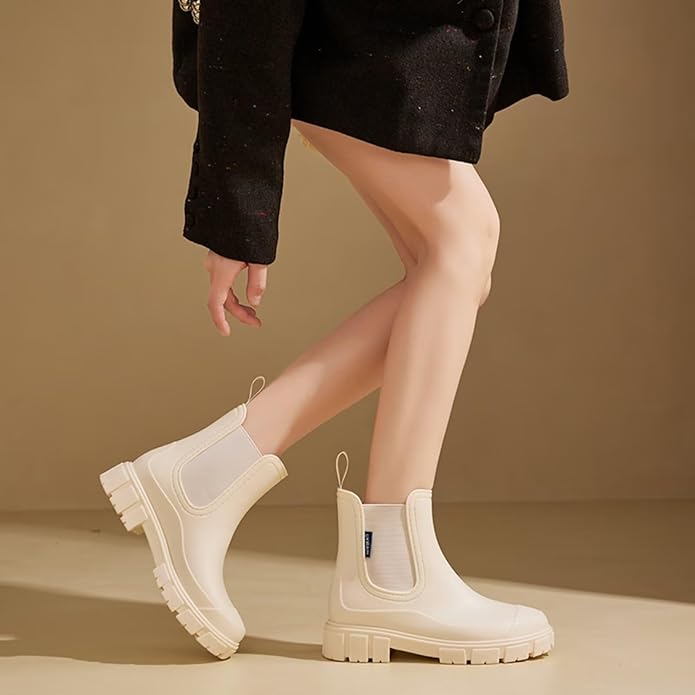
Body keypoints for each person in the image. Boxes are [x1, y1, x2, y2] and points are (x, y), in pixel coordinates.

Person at [99, 0, 569, 664]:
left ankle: (209, 477)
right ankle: (389, 572)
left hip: (383, 41)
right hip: (338, 35)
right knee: (461, 243)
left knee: (452, 266)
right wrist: (235, 209)